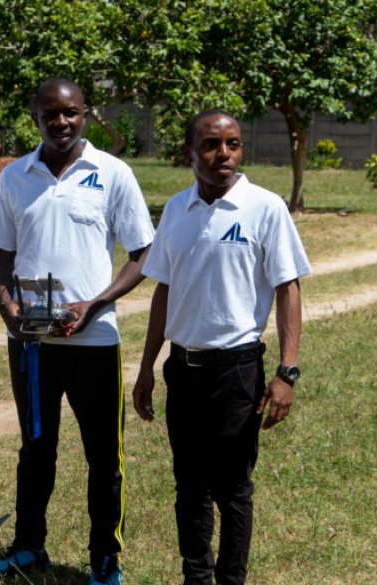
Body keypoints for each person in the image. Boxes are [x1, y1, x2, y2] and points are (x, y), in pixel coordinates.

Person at [0, 78, 155, 585]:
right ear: (35, 116)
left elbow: (142, 254)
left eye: (71, 113)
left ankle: (105, 559)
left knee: (105, 456)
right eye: (50, 113)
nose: (61, 122)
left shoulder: (113, 174)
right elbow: (3, 258)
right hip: (33, 346)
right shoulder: (15, 177)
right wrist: (7, 305)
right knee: (36, 449)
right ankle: (29, 548)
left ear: (86, 114)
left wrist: (95, 302)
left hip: (95, 342)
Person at [132, 110, 311, 585]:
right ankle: (197, 577)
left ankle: (231, 580)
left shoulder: (265, 207)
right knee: (189, 485)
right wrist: (147, 366)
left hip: (237, 371)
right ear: (189, 152)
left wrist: (286, 371)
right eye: (211, 145)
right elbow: (163, 290)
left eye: (233, 144)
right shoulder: (175, 209)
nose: (224, 154)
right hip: (183, 369)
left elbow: (287, 289)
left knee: (232, 487)